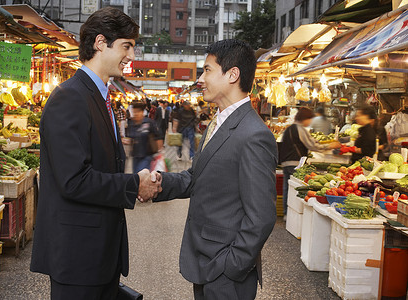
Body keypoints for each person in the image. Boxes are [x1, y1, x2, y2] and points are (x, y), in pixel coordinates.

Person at [30, 8, 161, 300]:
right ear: (101, 43)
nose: (131, 56)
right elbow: (74, 179)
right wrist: (133, 184)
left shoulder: (99, 96)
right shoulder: (69, 97)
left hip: (98, 255)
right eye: (126, 46)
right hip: (78, 256)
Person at [152, 39, 277, 300]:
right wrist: (158, 183)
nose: (201, 78)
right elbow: (195, 177)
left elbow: (262, 215)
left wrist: (232, 266)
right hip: (205, 260)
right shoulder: (216, 123)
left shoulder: (254, 134)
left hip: (225, 271)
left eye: (207, 70)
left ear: (232, 75)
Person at [280, 107, 341, 217]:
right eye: (310, 119)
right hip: (295, 162)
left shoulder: (290, 128)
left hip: (286, 162)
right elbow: (312, 145)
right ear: (305, 118)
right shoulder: (300, 129)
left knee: (287, 188)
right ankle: (292, 214)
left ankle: (286, 214)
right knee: (295, 189)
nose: (310, 122)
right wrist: (329, 145)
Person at [127, 102, 159, 173]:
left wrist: (159, 153)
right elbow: (130, 137)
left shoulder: (149, 122)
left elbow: (157, 136)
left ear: (142, 112)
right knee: (135, 175)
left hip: (147, 155)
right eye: (134, 112)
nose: (135, 114)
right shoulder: (131, 123)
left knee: (142, 175)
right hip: (135, 155)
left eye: (137, 112)